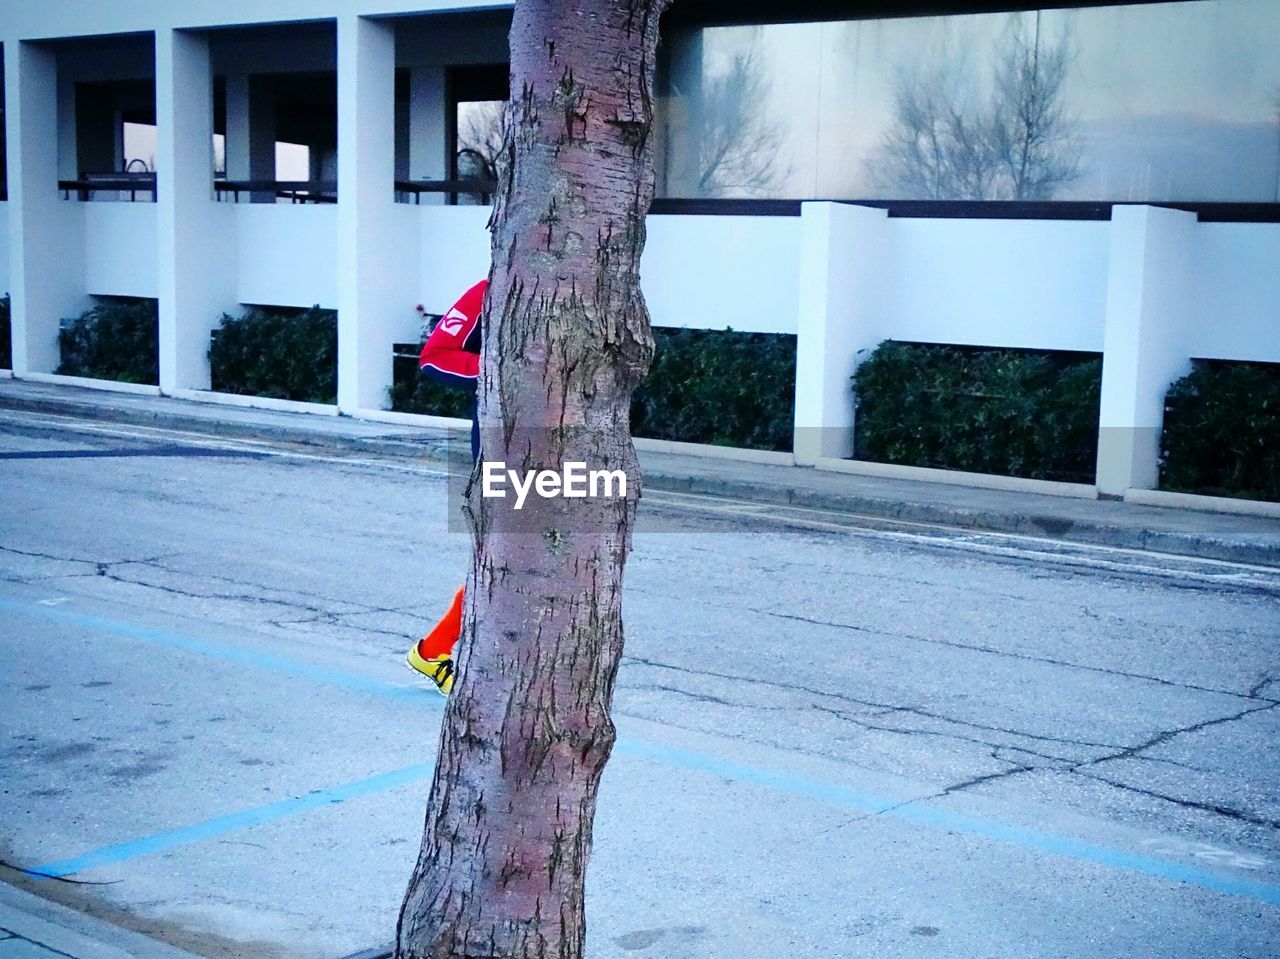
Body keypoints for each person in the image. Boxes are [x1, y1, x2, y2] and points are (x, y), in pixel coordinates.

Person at [405, 278, 487, 695]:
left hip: (574, 451)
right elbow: (434, 357)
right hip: (502, 454)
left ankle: (437, 649)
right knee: (505, 560)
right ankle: (434, 650)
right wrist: (496, 369)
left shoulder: (598, 287)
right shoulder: (491, 290)